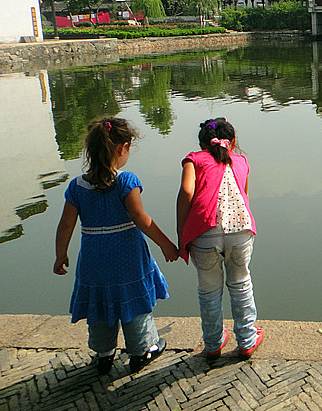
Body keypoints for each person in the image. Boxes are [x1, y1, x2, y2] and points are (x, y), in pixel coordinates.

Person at [53, 118, 179, 375]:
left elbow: (66, 225)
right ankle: (141, 351)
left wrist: (60, 254)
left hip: (92, 259)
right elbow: (140, 219)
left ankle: (103, 353)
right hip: (127, 257)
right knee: (133, 302)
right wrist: (167, 245)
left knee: (99, 303)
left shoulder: (76, 187)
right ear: (122, 148)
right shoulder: (126, 181)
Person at [176, 117, 263, 361]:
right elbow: (245, 196)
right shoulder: (242, 161)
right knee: (241, 284)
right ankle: (246, 339)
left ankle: (213, 343)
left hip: (204, 233)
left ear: (202, 143)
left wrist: (181, 233)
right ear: (233, 142)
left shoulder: (193, 160)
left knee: (209, 290)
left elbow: (186, 192)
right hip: (241, 230)